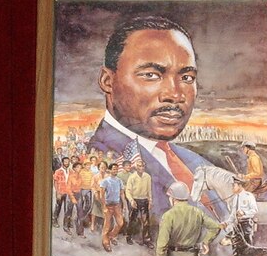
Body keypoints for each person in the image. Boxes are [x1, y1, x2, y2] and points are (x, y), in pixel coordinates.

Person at [87, 15, 224, 218]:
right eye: (151, 75)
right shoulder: (100, 160)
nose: (175, 94)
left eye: (187, 78)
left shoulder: (196, 162)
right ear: (107, 81)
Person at [155, 182, 223, 256]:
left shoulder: (168, 216)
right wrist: (205, 242)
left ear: (173, 198)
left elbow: (162, 244)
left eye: (170, 197)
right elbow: (215, 227)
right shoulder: (198, 212)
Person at [223, 179, 259, 256]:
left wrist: (244, 213)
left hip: (246, 226)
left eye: (234, 186)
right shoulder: (235, 198)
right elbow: (233, 214)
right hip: (237, 227)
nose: (232, 188)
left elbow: (254, 210)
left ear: (240, 186)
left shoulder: (249, 196)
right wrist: (226, 223)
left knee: (247, 249)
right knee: (237, 249)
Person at [97, 163, 125, 252]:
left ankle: (111, 236)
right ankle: (105, 242)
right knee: (107, 225)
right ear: (109, 170)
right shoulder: (105, 181)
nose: (115, 171)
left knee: (120, 223)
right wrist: (104, 206)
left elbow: (122, 193)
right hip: (108, 206)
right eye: (113, 169)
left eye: (116, 169)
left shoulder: (119, 181)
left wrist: (124, 204)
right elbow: (101, 195)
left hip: (117, 205)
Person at [124, 159, 152, 246]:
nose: (141, 168)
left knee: (146, 221)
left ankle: (147, 240)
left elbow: (149, 190)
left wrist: (150, 200)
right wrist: (131, 200)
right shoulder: (132, 177)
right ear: (136, 167)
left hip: (144, 200)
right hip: (134, 200)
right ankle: (128, 237)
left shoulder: (147, 177)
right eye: (139, 166)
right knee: (132, 220)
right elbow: (127, 191)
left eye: (142, 166)